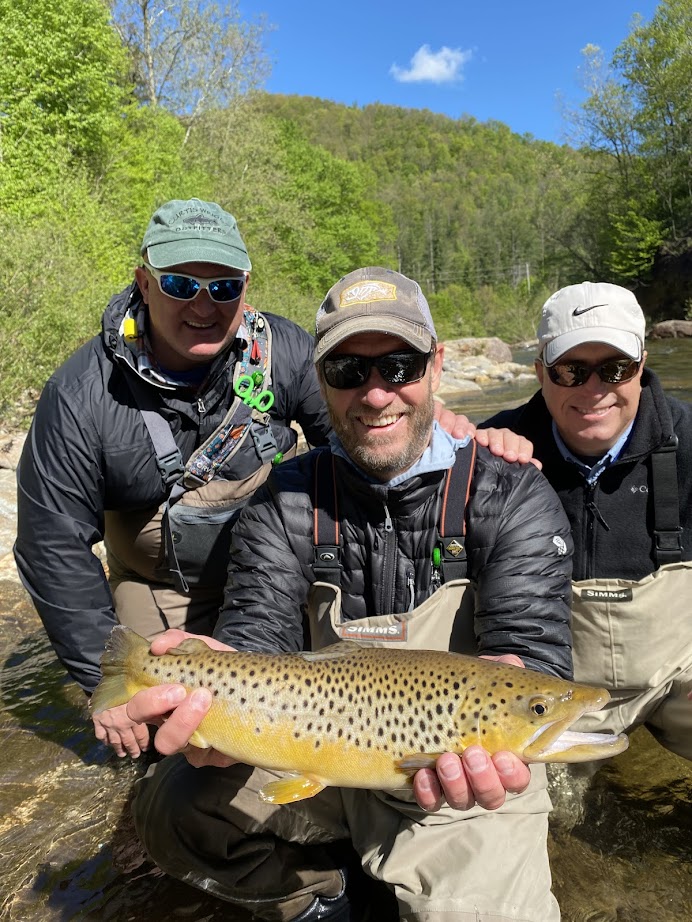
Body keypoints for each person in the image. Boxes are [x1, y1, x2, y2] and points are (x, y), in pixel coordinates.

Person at [97, 267, 575, 922]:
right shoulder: (286, 496)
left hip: (464, 778)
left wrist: (525, 687)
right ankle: (325, 900)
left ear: (436, 366)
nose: (375, 395)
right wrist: (212, 694)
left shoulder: (510, 491)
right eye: (349, 370)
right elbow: (256, 640)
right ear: (321, 381)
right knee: (171, 812)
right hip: (310, 744)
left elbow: (537, 656)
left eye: (399, 365)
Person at [13, 198, 521, 758]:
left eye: (224, 287)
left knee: (329, 723)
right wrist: (99, 683)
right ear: (144, 280)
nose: (204, 306)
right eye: (182, 285)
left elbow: (363, 436)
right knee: (173, 743)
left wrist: (435, 433)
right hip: (168, 590)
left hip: (279, 572)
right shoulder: (82, 394)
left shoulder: (285, 353)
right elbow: (52, 544)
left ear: (246, 285)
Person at [482, 281, 692, 762]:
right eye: (572, 371)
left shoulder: (690, 444)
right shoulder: (492, 450)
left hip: (676, 681)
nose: (594, 390)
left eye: (614, 369)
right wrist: (448, 432)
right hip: (544, 697)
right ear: (540, 372)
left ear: (640, 367)